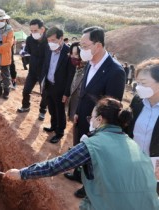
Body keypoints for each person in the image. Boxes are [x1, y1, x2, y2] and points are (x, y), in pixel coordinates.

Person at [4, 97, 159, 210]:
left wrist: (22, 173)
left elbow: (56, 165)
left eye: (90, 117)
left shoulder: (92, 145)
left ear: (98, 119)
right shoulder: (132, 144)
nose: (89, 121)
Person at [64, 26, 126, 198]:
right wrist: (77, 111)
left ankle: (88, 187)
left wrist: (97, 125)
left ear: (97, 45)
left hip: (98, 124)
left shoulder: (115, 71)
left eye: (84, 46)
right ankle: (78, 173)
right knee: (80, 147)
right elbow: (85, 91)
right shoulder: (90, 63)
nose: (81, 50)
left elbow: (111, 105)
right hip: (82, 117)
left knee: (93, 156)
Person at [128, 58, 159, 194]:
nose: (139, 87)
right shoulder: (137, 101)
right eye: (138, 82)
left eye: (144, 83)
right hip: (133, 162)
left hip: (155, 170)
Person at [41, 27, 75, 143]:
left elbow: (71, 74)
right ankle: (53, 126)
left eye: (53, 40)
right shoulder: (48, 48)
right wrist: (43, 81)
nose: (51, 43)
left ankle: (59, 132)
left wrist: (66, 92)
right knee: (51, 108)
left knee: (60, 111)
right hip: (48, 84)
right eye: (49, 40)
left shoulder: (68, 52)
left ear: (61, 38)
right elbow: (45, 65)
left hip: (60, 88)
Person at [17, 19, 48, 121]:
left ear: (42, 29)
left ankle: (42, 111)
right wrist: (23, 52)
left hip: (44, 72)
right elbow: (28, 52)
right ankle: (25, 106)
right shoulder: (30, 39)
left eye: (35, 30)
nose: (33, 33)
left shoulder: (49, 40)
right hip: (32, 70)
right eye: (31, 31)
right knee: (26, 90)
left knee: (44, 93)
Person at [67, 42, 86, 145]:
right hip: (75, 105)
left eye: (76, 54)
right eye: (72, 54)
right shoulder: (77, 67)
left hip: (82, 109)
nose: (73, 57)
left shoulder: (88, 69)